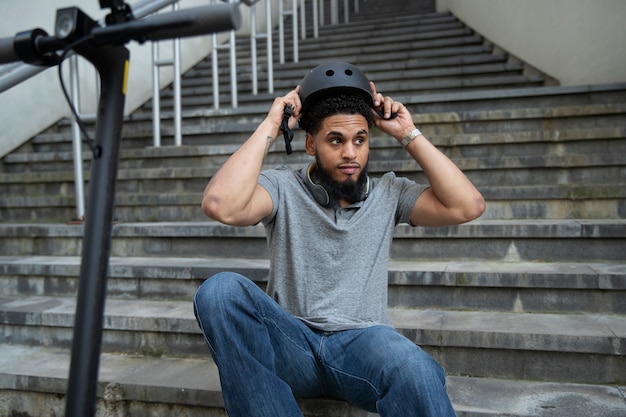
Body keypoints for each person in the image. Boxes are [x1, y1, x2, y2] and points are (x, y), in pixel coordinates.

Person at [193, 62, 485, 417]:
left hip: (362, 345)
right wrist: (271, 125)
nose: (351, 153)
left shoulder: (389, 193)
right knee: (220, 291)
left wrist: (407, 132)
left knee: (416, 368)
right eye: (336, 140)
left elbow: (467, 206)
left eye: (360, 140)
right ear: (310, 144)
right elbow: (220, 204)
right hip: (292, 343)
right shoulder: (284, 187)